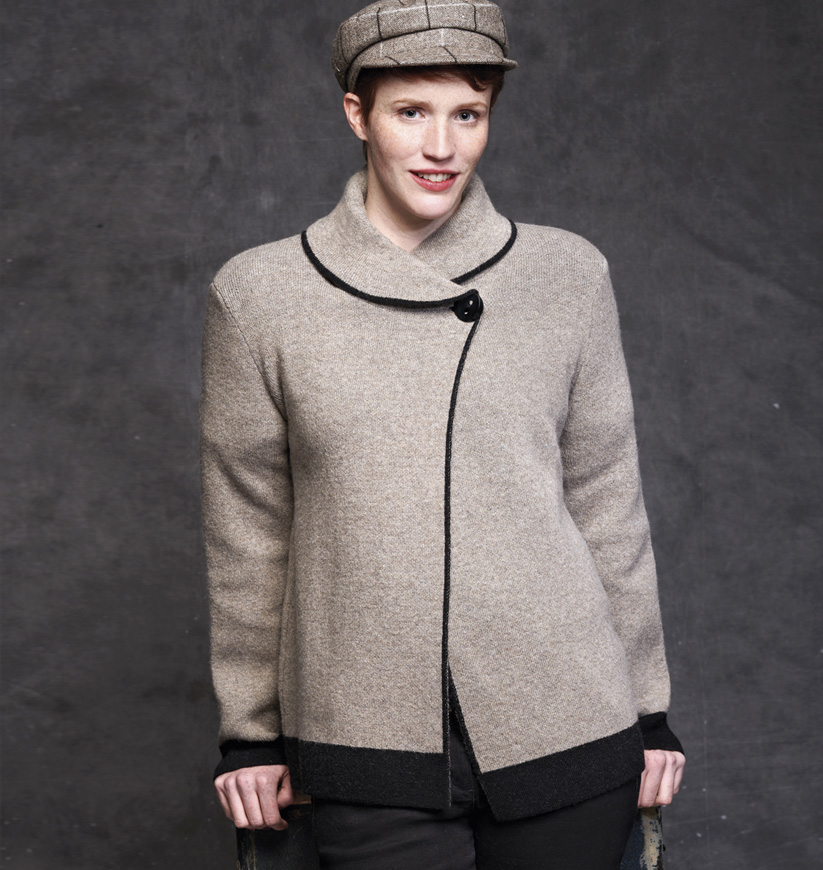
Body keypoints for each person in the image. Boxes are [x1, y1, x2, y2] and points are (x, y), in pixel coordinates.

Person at [200, 2, 685, 867]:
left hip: (567, 722)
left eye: (468, 114)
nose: (441, 146)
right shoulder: (260, 295)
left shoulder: (567, 275)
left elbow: (608, 503)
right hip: (363, 737)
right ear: (358, 114)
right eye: (411, 112)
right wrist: (252, 733)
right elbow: (249, 534)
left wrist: (648, 711)